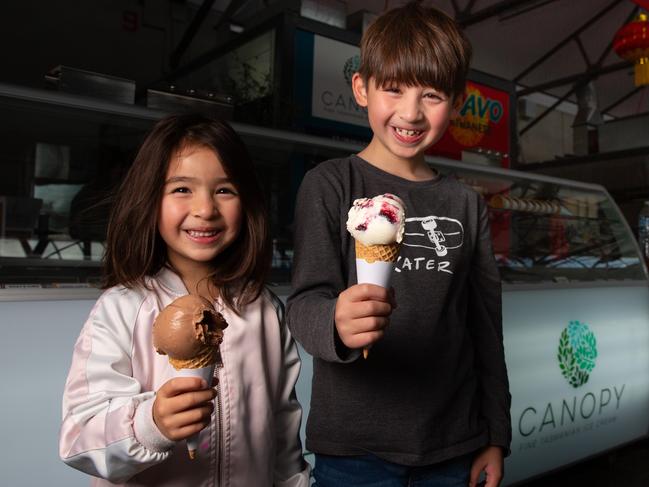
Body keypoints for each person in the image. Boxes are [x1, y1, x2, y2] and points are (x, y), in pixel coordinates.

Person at [286, 2, 511, 487]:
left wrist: (495, 434)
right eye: (393, 89)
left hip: (453, 442)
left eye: (431, 95)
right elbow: (303, 302)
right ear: (361, 88)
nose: (410, 113)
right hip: (354, 449)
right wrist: (335, 321)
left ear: (455, 101)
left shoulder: (466, 204)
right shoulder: (329, 184)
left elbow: (485, 331)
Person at [59, 114, 310, 486]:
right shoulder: (121, 308)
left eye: (224, 190)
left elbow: (283, 429)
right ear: (149, 199)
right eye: (181, 189)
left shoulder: (265, 311)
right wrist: (151, 423)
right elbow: (80, 438)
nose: (205, 209)